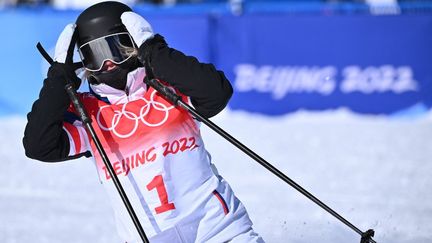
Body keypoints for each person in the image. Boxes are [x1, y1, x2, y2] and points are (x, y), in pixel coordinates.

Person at [23, 1, 264, 242]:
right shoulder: (88, 113)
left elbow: (217, 92)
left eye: (114, 48)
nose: (107, 63)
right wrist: (59, 79)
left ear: (132, 45)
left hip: (218, 228)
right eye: (94, 55)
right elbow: (39, 145)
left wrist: (154, 50)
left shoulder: (168, 88)